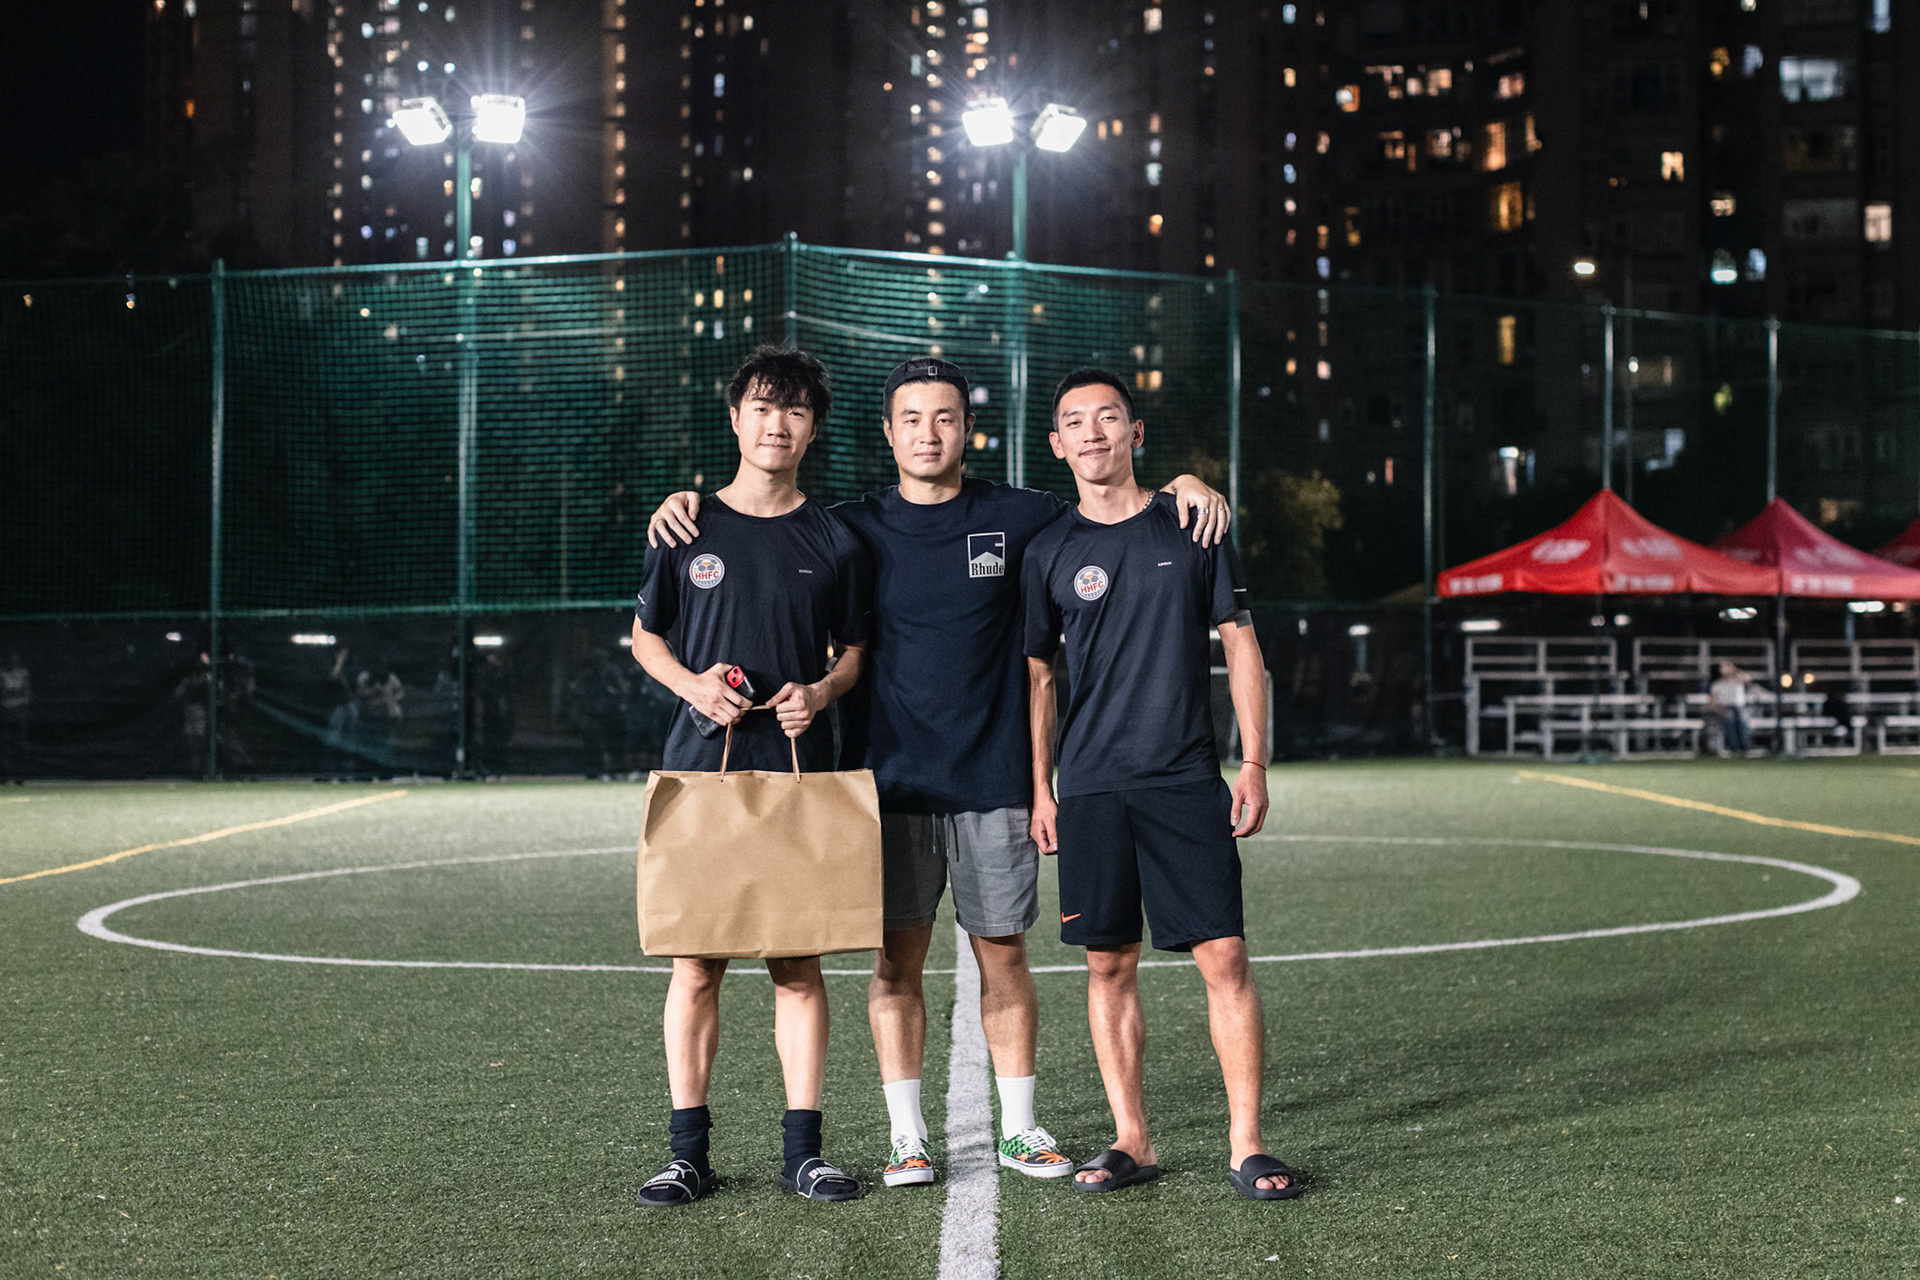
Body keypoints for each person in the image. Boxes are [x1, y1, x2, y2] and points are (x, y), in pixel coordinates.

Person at [647, 357, 1232, 1188]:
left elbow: (1113, 500)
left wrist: (1183, 483)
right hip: (882, 788)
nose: (929, 433)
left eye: (946, 418)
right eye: (912, 419)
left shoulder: (1023, 516)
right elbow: (771, 545)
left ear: (969, 428)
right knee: (896, 967)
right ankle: (907, 1137)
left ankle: (1021, 1128)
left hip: (993, 780)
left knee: (1005, 959)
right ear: (887, 434)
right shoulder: (850, 528)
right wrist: (685, 502)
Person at [1023, 367, 1300, 1201]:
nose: (1094, 432)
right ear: (1058, 444)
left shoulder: (1193, 522)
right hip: (1095, 787)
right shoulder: (1048, 549)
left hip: (1185, 778)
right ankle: (1132, 1141)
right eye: (1077, 421)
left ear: (1136, 433)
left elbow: (1241, 646)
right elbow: (1039, 677)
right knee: (1107, 964)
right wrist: (1043, 788)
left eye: (1110, 417)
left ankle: (1246, 1143)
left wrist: (1253, 761)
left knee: (1224, 956)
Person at [629, 345, 874, 1207]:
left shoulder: (835, 535)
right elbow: (645, 637)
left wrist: (822, 689)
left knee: (798, 967)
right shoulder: (684, 526)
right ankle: (686, 1152)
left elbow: (853, 654)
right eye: (763, 407)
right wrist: (694, 685)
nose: (778, 423)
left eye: (796, 410)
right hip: (701, 769)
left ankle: (803, 1152)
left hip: (800, 771)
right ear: (735, 419)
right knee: (695, 965)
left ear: (814, 428)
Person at [1708, 660, 1753, 757]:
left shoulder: (1737, 680)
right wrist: (1720, 709)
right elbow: (1712, 703)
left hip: (1739, 708)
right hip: (1725, 708)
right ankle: (1734, 748)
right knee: (1730, 717)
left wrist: (1734, 671)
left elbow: (1748, 678)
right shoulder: (1717, 685)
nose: (1725, 669)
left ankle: (1745, 747)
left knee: (1741, 718)